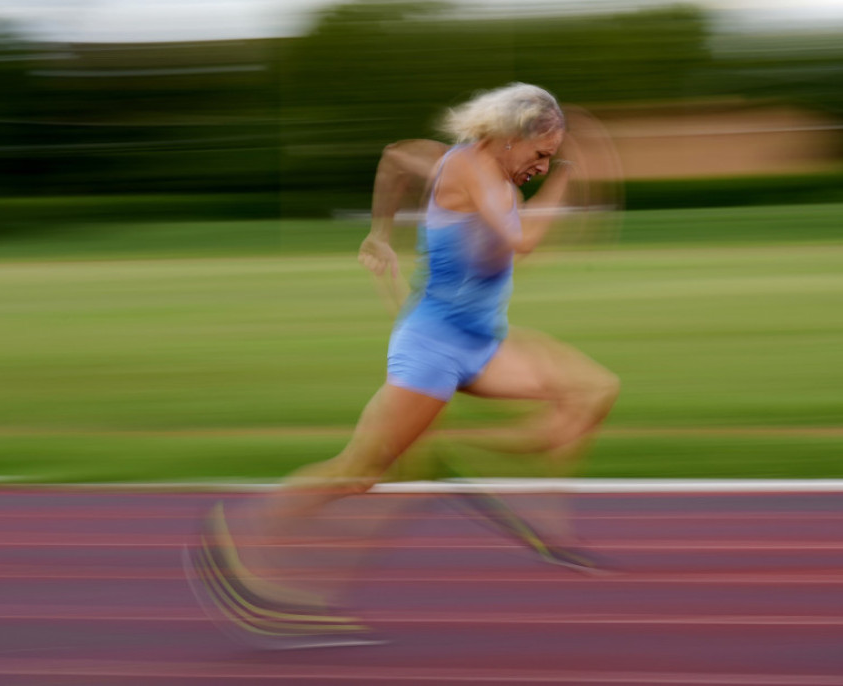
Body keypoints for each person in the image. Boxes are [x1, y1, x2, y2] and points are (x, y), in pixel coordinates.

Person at [184, 83, 620, 649]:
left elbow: (394, 158)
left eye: (549, 158)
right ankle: (236, 540)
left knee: (591, 391)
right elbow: (524, 241)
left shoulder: (468, 166)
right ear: (511, 137)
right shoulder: (469, 169)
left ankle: (519, 498)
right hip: (434, 349)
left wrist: (379, 234)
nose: (541, 166)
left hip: (483, 344)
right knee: (359, 472)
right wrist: (566, 179)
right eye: (540, 154)